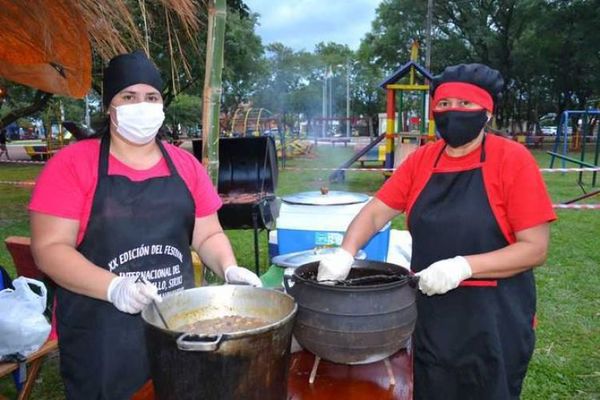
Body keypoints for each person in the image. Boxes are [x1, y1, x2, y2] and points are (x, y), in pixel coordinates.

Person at [29, 51, 261, 399]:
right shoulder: (73, 164)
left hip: (177, 326)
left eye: (151, 97)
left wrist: (229, 269)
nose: (142, 104)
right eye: (129, 96)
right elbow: (49, 249)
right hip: (102, 334)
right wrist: (115, 288)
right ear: (110, 106)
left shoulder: (185, 165)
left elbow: (208, 232)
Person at [318, 63, 556, 399]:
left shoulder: (513, 160)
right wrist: (346, 251)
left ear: (487, 111)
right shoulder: (422, 160)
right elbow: (374, 214)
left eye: (465, 103)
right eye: (444, 104)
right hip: (433, 315)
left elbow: (535, 247)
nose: (453, 111)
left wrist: (463, 266)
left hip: (494, 319)